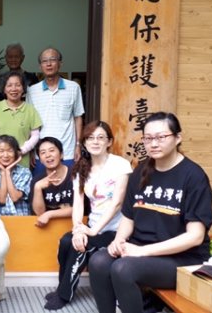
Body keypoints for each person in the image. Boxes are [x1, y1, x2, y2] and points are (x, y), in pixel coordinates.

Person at [89, 112, 212, 313]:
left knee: (123, 269)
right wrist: (118, 241)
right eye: (148, 138)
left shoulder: (193, 176)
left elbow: (195, 237)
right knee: (98, 262)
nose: (153, 144)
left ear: (177, 138)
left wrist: (142, 251)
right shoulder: (141, 172)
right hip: (141, 249)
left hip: (182, 258)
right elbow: (128, 217)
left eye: (161, 137)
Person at [43, 121, 132, 310]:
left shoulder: (120, 165)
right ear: (84, 142)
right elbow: (78, 203)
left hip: (116, 230)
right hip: (90, 226)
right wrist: (77, 229)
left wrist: (92, 231)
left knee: (80, 247)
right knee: (67, 242)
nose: (95, 142)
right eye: (90, 138)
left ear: (109, 142)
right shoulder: (81, 168)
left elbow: (117, 203)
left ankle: (64, 295)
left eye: (101, 137)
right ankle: (62, 287)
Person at [27, 47, 84, 175]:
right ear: (40, 66)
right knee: (43, 189)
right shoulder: (32, 91)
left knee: (67, 189)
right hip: (41, 153)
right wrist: (31, 151)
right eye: (44, 61)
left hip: (68, 152)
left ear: (60, 63)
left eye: (53, 59)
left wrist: (78, 145)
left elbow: (78, 117)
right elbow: (29, 122)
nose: (48, 64)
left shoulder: (73, 87)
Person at [0, 71, 42, 168]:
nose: (13, 89)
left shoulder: (30, 109)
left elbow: (35, 135)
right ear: (4, 89)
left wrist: (22, 150)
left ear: (23, 88)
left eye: (18, 85)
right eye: (9, 85)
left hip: (21, 162)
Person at [30, 137, 74, 228]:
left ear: (61, 154)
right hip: (48, 227)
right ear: (41, 160)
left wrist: (50, 214)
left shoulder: (75, 175)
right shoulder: (37, 180)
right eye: (43, 153)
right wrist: (38, 188)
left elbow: (79, 208)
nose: (48, 155)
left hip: (73, 225)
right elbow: (39, 213)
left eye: (52, 150)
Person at [0, 135, 33, 216]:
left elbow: (15, 197)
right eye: (1, 151)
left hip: (21, 219)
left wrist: (7, 172)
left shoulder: (25, 172)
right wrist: (3, 173)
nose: (6, 155)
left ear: (16, 153)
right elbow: (1, 199)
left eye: (10, 151)